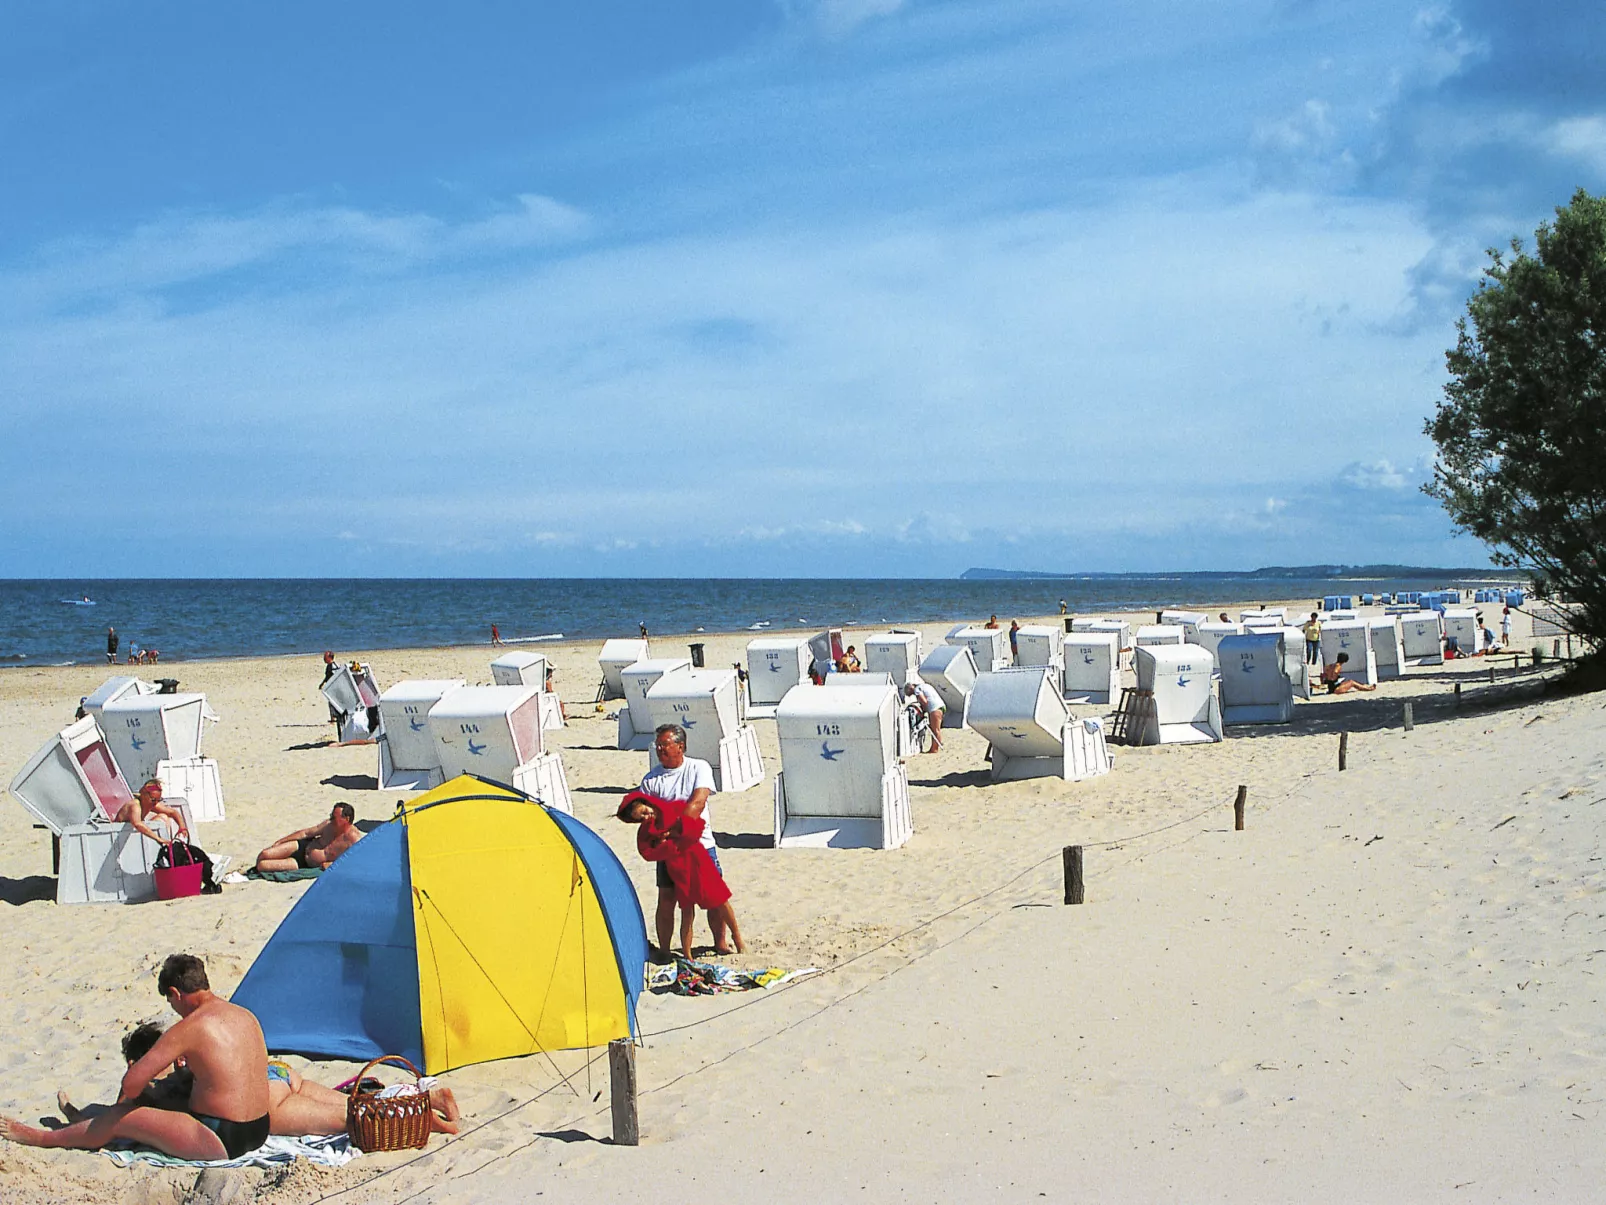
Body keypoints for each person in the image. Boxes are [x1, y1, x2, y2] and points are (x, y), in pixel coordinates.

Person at [0, 954, 271, 1160]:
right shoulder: (245, 1015)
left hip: (220, 1137)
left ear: (175, 994)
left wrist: (141, 1072)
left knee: (120, 1117)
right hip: (259, 1129)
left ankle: (40, 1138)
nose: (174, 1009)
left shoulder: (189, 1027)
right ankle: (82, 1123)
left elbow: (131, 1085)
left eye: (170, 1001)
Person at [58, 1020, 460, 1138]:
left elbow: (115, 1114)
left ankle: (432, 1121)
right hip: (280, 1072)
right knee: (352, 1103)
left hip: (265, 1100)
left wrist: (78, 1115)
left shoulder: (160, 1084)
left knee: (350, 1121)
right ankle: (426, 1097)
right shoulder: (188, 1052)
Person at [638, 724, 731, 959]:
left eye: (665, 744)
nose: (659, 749)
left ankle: (721, 942)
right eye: (657, 745)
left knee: (713, 897)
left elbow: (697, 804)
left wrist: (671, 827)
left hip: (700, 843)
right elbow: (647, 811)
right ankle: (666, 950)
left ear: (680, 746)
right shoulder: (651, 779)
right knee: (667, 898)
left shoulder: (698, 767)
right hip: (668, 848)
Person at [617, 791, 745, 960]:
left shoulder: (674, 808)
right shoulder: (645, 831)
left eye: (644, 812)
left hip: (698, 859)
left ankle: (737, 938)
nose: (646, 818)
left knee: (720, 899)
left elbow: (696, 827)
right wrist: (669, 847)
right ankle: (687, 954)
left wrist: (670, 838)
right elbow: (647, 853)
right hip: (678, 868)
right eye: (640, 818)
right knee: (687, 910)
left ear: (646, 803)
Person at [256, 803, 362, 873]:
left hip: (303, 863)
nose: (331, 819)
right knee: (264, 854)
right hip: (303, 846)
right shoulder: (328, 825)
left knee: (262, 865)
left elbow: (357, 862)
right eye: (331, 816)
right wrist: (281, 841)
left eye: (334, 817)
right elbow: (305, 833)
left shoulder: (353, 839)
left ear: (346, 819)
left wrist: (332, 864)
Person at [114, 779, 189, 843]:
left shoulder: (151, 804)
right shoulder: (135, 805)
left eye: (158, 800)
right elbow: (137, 824)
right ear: (144, 795)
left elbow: (172, 812)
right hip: (118, 837)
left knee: (163, 817)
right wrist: (158, 839)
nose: (155, 803)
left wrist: (182, 827)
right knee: (162, 818)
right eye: (153, 800)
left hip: (133, 837)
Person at [904, 681, 945, 752]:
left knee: (935, 730)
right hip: (940, 705)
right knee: (937, 729)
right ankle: (935, 747)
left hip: (934, 708)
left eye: (911, 694)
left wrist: (922, 712)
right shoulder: (924, 685)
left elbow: (924, 701)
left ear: (911, 688)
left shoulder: (917, 689)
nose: (913, 695)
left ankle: (934, 749)